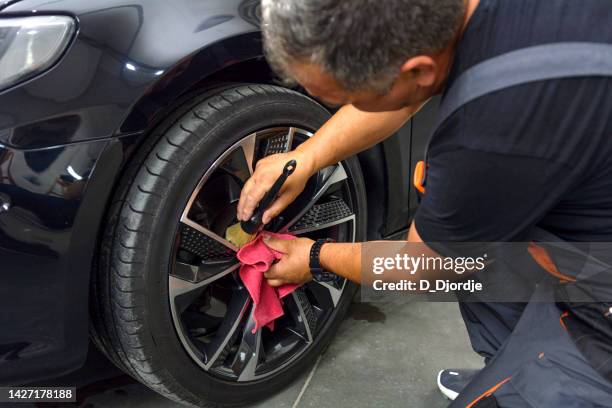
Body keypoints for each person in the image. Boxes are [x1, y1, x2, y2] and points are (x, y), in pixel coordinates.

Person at [237, 0, 612, 406]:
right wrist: (306, 157)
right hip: (581, 191)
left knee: (455, 256)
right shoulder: (455, 19)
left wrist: (315, 257)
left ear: (417, 70)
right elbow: (406, 92)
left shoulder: (489, 133)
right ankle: (510, 360)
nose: (341, 107)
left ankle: (531, 376)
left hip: (600, 299)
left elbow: (422, 267)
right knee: (466, 241)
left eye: (348, 97)